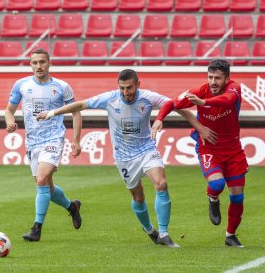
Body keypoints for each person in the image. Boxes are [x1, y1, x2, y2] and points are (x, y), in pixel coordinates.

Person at [37, 69, 210, 248]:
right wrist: (51, 113)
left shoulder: (148, 98)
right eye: (122, 88)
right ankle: (150, 230)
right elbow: (81, 105)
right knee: (139, 198)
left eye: (129, 88)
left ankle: (164, 233)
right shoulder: (110, 98)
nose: (126, 93)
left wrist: (199, 127)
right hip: (124, 157)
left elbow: (176, 106)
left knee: (161, 184)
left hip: (146, 150)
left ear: (138, 84)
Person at [152, 59, 248, 247]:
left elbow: (226, 101)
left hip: (233, 150)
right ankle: (213, 198)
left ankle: (230, 235)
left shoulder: (234, 89)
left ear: (227, 78)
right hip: (209, 147)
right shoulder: (198, 91)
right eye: (210, 77)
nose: (213, 82)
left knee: (237, 196)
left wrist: (204, 103)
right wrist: (159, 119)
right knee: (218, 183)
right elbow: (172, 103)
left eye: (218, 78)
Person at [5, 48, 83, 242]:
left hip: (53, 139)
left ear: (49, 63)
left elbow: (76, 112)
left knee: (41, 180)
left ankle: (36, 229)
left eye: (42, 62)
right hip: (32, 142)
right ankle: (71, 206)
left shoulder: (62, 86)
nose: (38, 66)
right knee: (46, 187)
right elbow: (9, 110)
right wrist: (10, 122)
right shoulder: (21, 85)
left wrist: (76, 140)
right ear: (30, 65)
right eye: (34, 63)